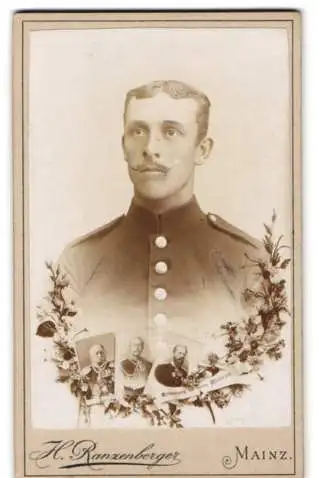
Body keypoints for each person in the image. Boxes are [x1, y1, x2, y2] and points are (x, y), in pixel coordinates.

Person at [55, 79, 263, 353]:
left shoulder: (247, 262)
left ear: (202, 150)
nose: (150, 148)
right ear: (123, 146)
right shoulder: (79, 262)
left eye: (171, 132)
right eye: (138, 131)